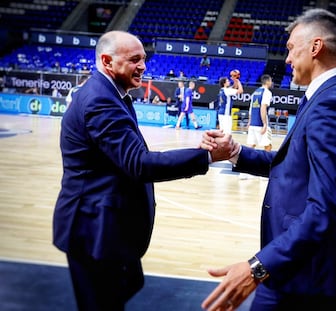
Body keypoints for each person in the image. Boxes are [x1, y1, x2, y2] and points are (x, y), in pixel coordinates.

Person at [201, 9, 336, 311]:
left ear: (315, 47)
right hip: (297, 269)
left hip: (304, 276)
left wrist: (257, 267)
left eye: (292, 48)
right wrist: (236, 152)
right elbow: (293, 168)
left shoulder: (334, 104)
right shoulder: (326, 98)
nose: (287, 58)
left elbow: (324, 209)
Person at [52, 30, 235, 311]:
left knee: (128, 284)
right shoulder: (101, 101)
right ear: (107, 61)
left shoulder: (112, 94)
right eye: (135, 59)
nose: (143, 66)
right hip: (93, 230)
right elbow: (139, 164)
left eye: (144, 59)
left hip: (105, 226)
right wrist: (206, 156)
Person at [246, 74, 273, 152]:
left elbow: (251, 108)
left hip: (252, 124)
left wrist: (249, 121)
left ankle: (245, 162)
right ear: (267, 81)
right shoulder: (267, 92)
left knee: (251, 146)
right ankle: (267, 163)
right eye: (270, 81)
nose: (271, 83)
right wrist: (264, 124)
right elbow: (263, 107)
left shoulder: (255, 92)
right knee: (268, 146)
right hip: (260, 124)